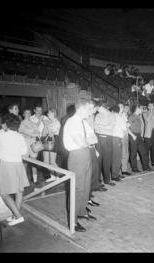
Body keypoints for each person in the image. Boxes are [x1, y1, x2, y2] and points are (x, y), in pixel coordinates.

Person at [63, 99, 96, 232]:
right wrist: (88, 141)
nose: (90, 112)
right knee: (77, 188)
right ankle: (73, 221)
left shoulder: (81, 122)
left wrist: (88, 141)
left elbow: (93, 138)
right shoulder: (72, 122)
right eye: (89, 109)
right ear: (81, 109)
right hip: (77, 155)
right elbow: (81, 142)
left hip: (85, 154)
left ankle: (81, 212)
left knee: (85, 186)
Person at [0, 113, 29, 226]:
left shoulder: (0, 136)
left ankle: (18, 216)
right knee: (19, 191)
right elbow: (24, 152)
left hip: (6, 165)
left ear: (6, 124)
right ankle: (15, 216)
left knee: (4, 193)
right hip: (18, 165)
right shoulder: (19, 136)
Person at [19, 107, 44, 185]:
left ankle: (35, 180)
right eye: (26, 113)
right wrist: (33, 132)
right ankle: (24, 182)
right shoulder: (21, 123)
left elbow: (38, 133)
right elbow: (25, 131)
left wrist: (33, 132)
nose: (28, 114)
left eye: (29, 113)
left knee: (34, 162)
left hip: (33, 144)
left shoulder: (32, 122)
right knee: (25, 163)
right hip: (25, 144)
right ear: (23, 114)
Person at [94, 102, 116, 186]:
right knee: (98, 160)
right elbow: (95, 128)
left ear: (104, 107)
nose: (97, 110)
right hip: (98, 138)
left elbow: (111, 127)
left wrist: (101, 126)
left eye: (99, 108)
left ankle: (107, 179)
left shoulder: (111, 115)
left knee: (107, 160)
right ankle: (98, 180)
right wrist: (104, 126)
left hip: (107, 138)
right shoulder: (98, 115)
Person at [128, 104, 152, 173]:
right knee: (133, 153)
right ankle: (134, 168)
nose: (142, 110)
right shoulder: (131, 116)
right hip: (133, 136)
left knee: (144, 151)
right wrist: (132, 135)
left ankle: (146, 167)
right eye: (140, 108)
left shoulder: (139, 116)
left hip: (138, 136)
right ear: (136, 109)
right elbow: (127, 127)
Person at [42, 108, 61, 182]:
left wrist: (47, 125)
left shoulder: (56, 122)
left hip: (54, 140)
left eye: (49, 113)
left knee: (52, 162)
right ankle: (53, 175)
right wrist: (45, 125)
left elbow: (51, 134)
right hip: (46, 140)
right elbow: (43, 134)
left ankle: (59, 176)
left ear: (54, 113)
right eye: (48, 113)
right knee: (45, 161)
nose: (47, 114)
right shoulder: (48, 122)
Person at [111, 104, 128, 181]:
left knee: (117, 157)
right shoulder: (118, 117)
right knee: (117, 157)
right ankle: (115, 175)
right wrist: (127, 124)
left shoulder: (114, 116)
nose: (122, 109)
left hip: (116, 138)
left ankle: (116, 173)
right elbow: (125, 127)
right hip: (116, 138)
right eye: (121, 108)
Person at [142, 102, 154, 167]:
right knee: (147, 149)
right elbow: (147, 120)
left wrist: (152, 114)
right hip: (148, 133)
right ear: (148, 107)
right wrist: (150, 112)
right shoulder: (144, 113)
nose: (151, 107)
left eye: (152, 106)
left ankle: (153, 162)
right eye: (149, 106)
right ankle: (146, 164)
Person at [121, 104, 131, 176]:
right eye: (126, 108)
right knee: (123, 153)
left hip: (126, 135)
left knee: (126, 153)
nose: (127, 109)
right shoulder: (121, 116)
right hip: (122, 135)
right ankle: (123, 170)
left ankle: (124, 169)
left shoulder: (126, 116)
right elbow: (124, 127)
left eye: (128, 108)